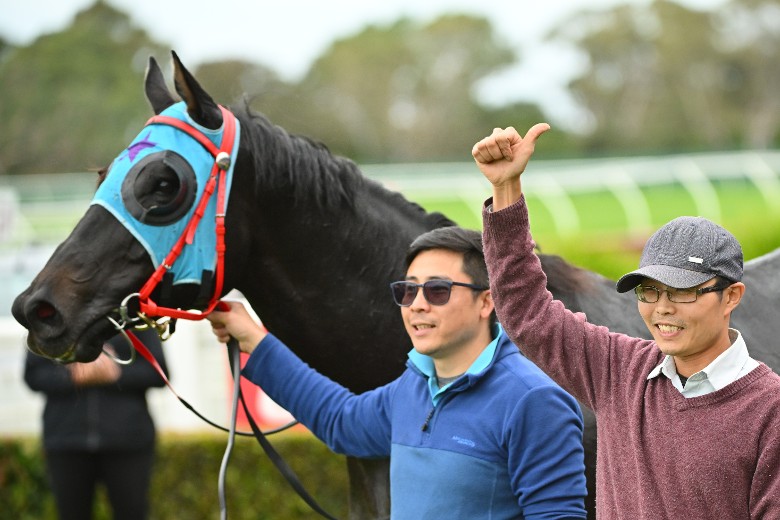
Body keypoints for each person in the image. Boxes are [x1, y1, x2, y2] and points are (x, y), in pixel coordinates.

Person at [472, 123, 780, 519]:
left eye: (682, 291)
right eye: (648, 291)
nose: (662, 308)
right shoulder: (618, 370)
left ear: (731, 297)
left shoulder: (770, 408)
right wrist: (506, 189)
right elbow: (525, 310)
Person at [207, 226, 587, 519]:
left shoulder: (534, 400)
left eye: (437, 290)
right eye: (408, 291)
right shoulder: (414, 385)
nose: (417, 305)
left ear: (487, 301)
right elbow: (342, 421)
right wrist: (253, 340)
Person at [23, 328, 168, 520]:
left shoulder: (132, 312)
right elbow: (33, 375)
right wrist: (72, 376)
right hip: (66, 441)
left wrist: (116, 374)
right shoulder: (50, 314)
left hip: (128, 440)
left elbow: (158, 372)